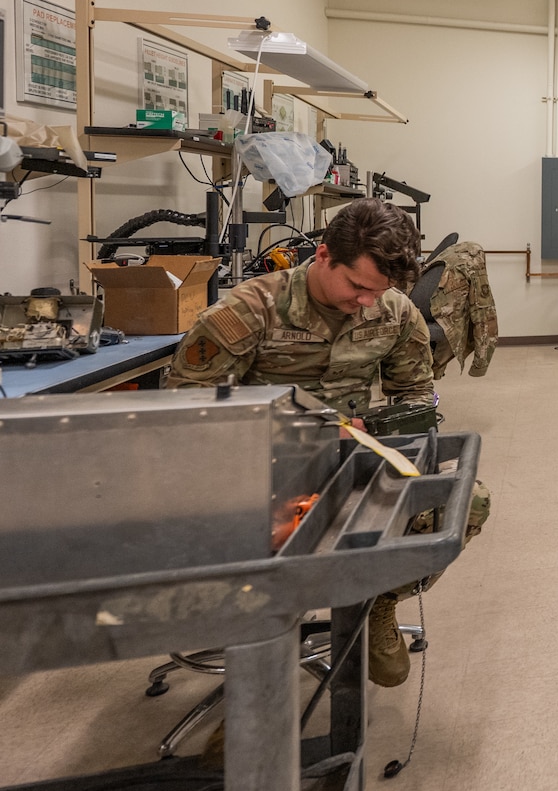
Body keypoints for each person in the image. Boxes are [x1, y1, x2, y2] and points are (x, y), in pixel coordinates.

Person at [168, 198, 435, 687]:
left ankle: (379, 599)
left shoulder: (394, 312)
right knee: (273, 550)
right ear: (324, 255)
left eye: (380, 291)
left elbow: (415, 396)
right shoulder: (250, 310)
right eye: (358, 286)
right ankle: (258, 674)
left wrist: (404, 450)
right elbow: (187, 412)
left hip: (352, 462)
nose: (368, 302)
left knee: (460, 503)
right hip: (261, 475)